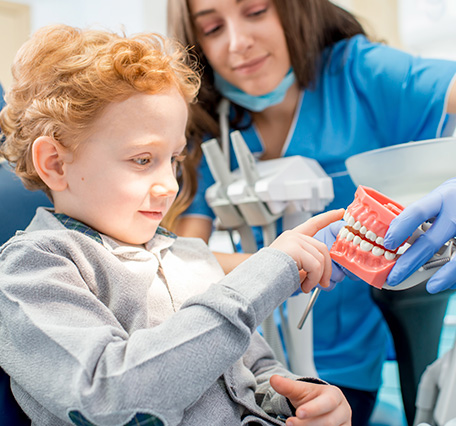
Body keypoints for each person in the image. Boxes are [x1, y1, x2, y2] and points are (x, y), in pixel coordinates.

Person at [0, 24, 352, 425]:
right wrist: (263, 273)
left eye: (174, 159)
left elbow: (250, 374)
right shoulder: (33, 270)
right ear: (56, 164)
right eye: (143, 160)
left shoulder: (188, 257)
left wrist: (296, 398)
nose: (169, 185)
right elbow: (110, 398)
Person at [166, 0, 456, 424]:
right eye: (213, 28)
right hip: (244, 367)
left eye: (255, 11)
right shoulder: (209, 125)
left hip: (345, 374)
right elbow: (175, 258)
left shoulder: (361, 74)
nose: (238, 43)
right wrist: (287, 264)